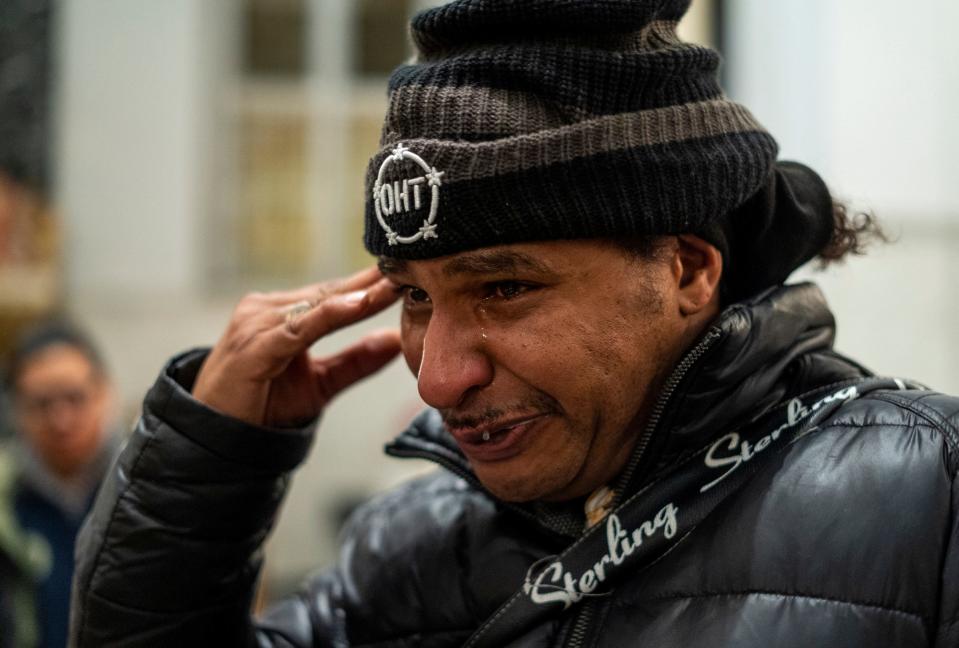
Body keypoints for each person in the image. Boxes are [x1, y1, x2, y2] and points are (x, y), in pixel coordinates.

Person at [69, 1, 959, 647]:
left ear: (686, 269)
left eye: (502, 289)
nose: (434, 378)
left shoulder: (928, 506)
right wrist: (203, 464)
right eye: (415, 295)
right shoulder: (411, 548)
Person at [0, 322, 116, 648]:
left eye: (74, 398)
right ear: (16, 409)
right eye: (42, 403)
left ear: (104, 393)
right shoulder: (6, 500)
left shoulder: (147, 492)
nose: (61, 419)